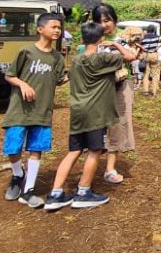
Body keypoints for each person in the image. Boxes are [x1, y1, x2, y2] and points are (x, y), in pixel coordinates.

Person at [44, 22, 128, 211]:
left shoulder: (76, 60)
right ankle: (83, 192)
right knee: (94, 151)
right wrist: (115, 45)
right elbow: (130, 57)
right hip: (96, 114)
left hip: (77, 111)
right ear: (101, 39)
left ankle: (55, 193)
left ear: (82, 39)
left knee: (74, 151)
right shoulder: (104, 58)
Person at [0, 13, 67, 209]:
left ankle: (28, 190)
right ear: (40, 29)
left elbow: (59, 80)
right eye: (53, 27)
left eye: (59, 28)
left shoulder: (57, 57)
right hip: (19, 110)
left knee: (37, 148)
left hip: (42, 110)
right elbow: (9, 75)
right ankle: (17, 174)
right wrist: (22, 84)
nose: (57, 30)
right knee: (13, 147)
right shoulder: (26, 52)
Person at [88, 3, 141, 186]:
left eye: (107, 20)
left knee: (118, 123)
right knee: (98, 124)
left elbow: (132, 57)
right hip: (99, 87)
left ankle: (110, 169)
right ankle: (93, 160)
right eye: (100, 21)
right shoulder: (93, 39)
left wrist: (114, 44)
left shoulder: (123, 37)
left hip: (120, 85)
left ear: (114, 20)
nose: (104, 25)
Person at [140, 28, 161, 96]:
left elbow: (137, 43)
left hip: (146, 54)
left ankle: (146, 91)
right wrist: (157, 47)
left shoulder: (143, 37)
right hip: (154, 54)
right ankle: (154, 92)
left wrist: (143, 48)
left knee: (146, 73)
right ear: (153, 31)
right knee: (154, 74)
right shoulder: (157, 36)